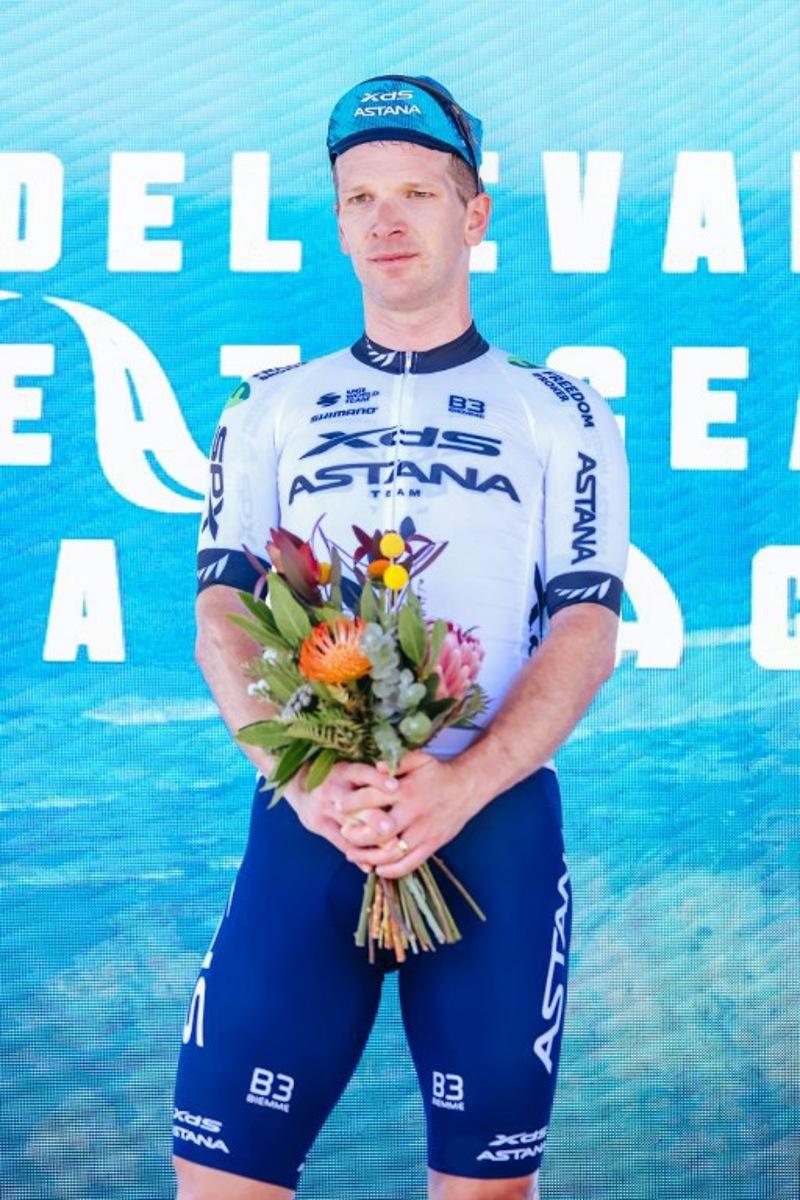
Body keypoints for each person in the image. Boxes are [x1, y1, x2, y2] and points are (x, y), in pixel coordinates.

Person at [172, 74, 629, 1200]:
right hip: (307, 831)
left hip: (490, 834)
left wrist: (458, 788)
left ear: (472, 216)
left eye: (417, 192)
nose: (384, 220)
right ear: (335, 222)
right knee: (216, 1181)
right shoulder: (265, 405)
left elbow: (583, 626)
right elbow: (223, 611)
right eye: (359, 197)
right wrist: (303, 776)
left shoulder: (559, 409)